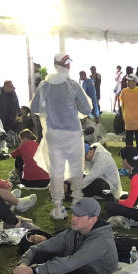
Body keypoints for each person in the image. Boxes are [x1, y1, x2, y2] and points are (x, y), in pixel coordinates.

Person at [30, 53, 94, 220]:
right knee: (76, 167)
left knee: (56, 170)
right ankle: (77, 201)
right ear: (67, 66)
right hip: (72, 133)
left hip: (53, 135)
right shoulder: (72, 85)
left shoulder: (44, 85)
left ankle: (58, 208)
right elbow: (87, 109)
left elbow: (35, 106)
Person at [118, 75, 138, 158]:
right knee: (128, 145)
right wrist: (124, 116)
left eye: (129, 80)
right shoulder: (124, 91)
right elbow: (122, 105)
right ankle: (129, 160)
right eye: (127, 80)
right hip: (128, 123)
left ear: (135, 82)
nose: (127, 82)